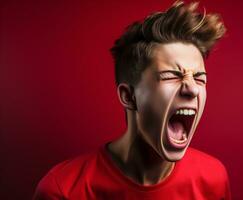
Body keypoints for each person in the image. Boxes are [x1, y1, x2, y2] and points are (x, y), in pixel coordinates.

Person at [33, 1, 230, 199]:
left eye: (199, 78)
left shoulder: (213, 179)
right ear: (129, 96)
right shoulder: (62, 190)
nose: (192, 88)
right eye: (171, 75)